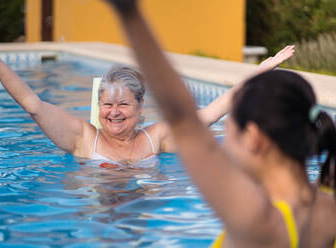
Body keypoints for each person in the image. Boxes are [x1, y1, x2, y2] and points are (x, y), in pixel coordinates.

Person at [102, 0, 336, 247]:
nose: (222, 139)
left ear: (254, 138)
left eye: (228, 129)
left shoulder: (257, 221)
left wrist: (129, 13)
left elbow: (183, 120)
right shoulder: (328, 205)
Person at [0, 19, 293, 168]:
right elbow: (32, 104)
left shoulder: (157, 138)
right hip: (94, 217)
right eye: (107, 104)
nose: (114, 112)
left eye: (123, 104)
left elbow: (210, 114)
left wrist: (261, 71)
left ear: (140, 107)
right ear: (98, 106)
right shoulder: (82, 138)